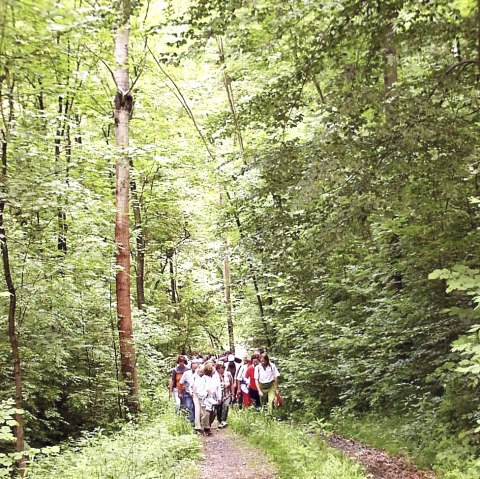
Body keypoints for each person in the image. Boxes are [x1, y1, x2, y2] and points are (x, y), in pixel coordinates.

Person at [197, 361, 221, 436]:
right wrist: (205, 394)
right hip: (206, 399)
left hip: (213, 398)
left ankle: (208, 425)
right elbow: (199, 390)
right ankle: (206, 428)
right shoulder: (203, 379)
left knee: (213, 413)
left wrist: (219, 397)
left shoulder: (215, 377)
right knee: (206, 413)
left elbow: (218, 388)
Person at [179, 358, 199, 426]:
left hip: (197, 394)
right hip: (188, 394)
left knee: (196, 408)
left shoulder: (201, 374)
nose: (195, 369)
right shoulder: (186, 374)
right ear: (191, 367)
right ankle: (192, 422)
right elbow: (181, 383)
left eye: (196, 368)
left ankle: (197, 422)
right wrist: (180, 392)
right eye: (193, 368)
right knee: (189, 406)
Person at [215, 360, 235, 428]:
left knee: (226, 406)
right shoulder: (214, 375)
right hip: (218, 395)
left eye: (222, 368)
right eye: (219, 368)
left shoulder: (228, 374)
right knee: (219, 408)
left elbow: (232, 384)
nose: (221, 369)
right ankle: (219, 420)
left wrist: (232, 394)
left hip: (227, 394)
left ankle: (224, 420)